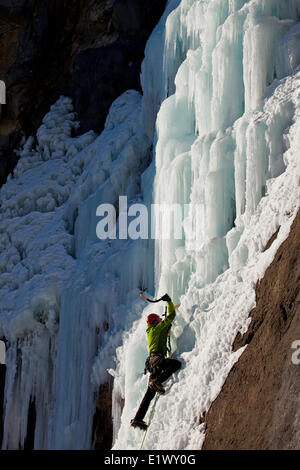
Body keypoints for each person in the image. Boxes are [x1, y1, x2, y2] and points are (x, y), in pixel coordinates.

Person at [130, 294, 181, 430]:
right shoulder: (156, 328)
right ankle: (157, 381)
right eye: (158, 319)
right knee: (176, 365)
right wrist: (169, 301)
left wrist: (166, 331)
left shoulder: (151, 331)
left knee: (149, 394)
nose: (160, 320)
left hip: (152, 362)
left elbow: (163, 331)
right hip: (157, 359)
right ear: (155, 321)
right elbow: (170, 317)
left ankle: (138, 418)